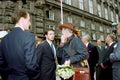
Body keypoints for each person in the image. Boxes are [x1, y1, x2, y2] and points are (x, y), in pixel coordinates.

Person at [0, 9, 38, 80]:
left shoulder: (4, 39)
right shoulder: (28, 36)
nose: (30, 23)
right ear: (22, 20)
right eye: (29, 20)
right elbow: (31, 65)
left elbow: (1, 63)